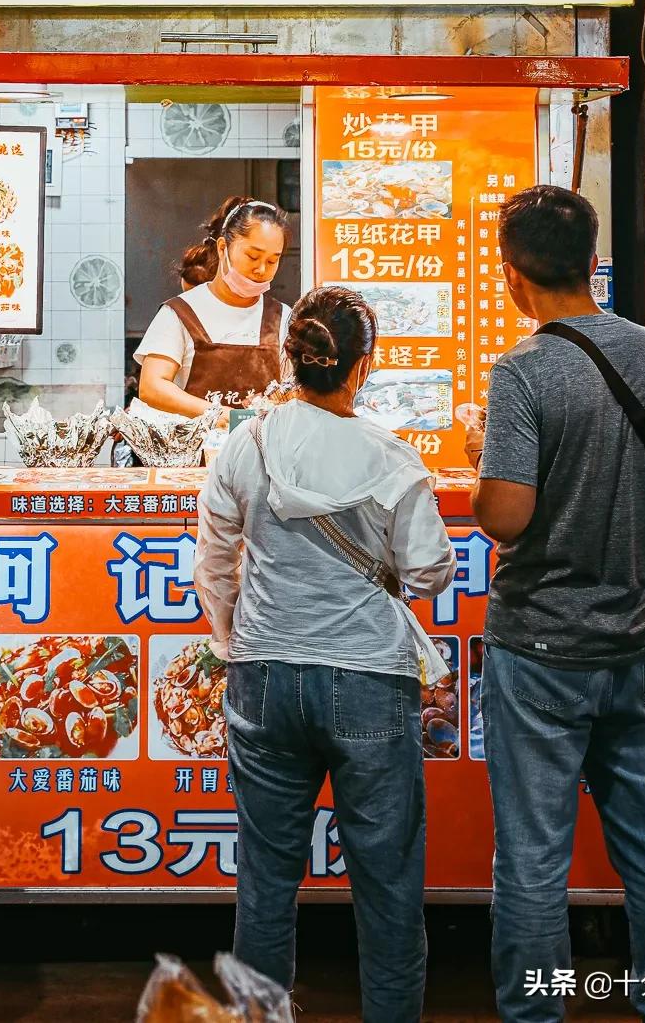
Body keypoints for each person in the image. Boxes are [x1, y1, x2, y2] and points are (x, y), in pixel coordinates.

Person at [461, 186, 645, 1023]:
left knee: (533, 856)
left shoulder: (523, 371)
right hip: (639, 641)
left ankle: (536, 1013)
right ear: (591, 262)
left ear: (512, 275)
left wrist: (479, 463)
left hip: (540, 649)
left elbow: (506, 516)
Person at [194, 286, 457, 1023]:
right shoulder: (392, 457)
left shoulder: (245, 446)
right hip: (369, 679)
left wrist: (231, 640)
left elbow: (214, 564)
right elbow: (432, 569)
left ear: (290, 357)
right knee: (389, 886)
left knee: (267, 883)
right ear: (361, 368)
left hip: (264, 678)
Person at [134, 196, 291, 422]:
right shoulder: (180, 312)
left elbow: (296, 390)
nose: (261, 269)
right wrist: (223, 416)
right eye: (252, 256)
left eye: (273, 260)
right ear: (222, 248)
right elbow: (152, 387)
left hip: (260, 454)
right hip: (194, 455)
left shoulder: (282, 318)